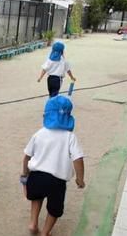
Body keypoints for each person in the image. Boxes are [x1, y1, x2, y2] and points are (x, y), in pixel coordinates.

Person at [20, 96, 85, 236]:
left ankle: (33, 223)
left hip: (36, 175)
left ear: (46, 114)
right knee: (54, 210)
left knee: (36, 199)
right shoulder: (70, 136)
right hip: (57, 181)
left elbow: (27, 156)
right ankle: (45, 232)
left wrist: (25, 174)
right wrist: (80, 179)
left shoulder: (39, 133)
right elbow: (78, 158)